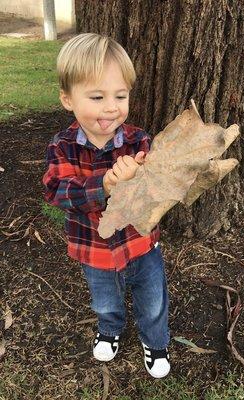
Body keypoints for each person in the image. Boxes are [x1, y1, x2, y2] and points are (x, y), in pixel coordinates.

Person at [42, 33, 170, 379]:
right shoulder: (62, 147)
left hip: (140, 243)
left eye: (120, 96)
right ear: (67, 99)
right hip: (94, 249)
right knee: (104, 299)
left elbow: (157, 192)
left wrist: (141, 178)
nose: (111, 107)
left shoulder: (138, 140)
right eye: (97, 97)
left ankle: (155, 341)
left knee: (153, 298)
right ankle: (110, 329)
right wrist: (106, 185)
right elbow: (58, 191)